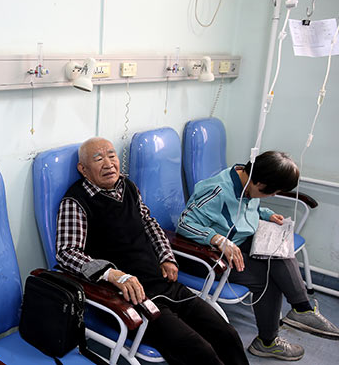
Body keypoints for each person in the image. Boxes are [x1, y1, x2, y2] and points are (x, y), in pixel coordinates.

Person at [56, 137, 248, 365]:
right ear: (83, 169)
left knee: (227, 334)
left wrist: (167, 258)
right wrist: (112, 274)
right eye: (98, 159)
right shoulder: (76, 201)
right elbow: (67, 252)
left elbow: (150, 224)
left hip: (163, 283)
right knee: (199, 350)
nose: (108, 164)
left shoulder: (128, 186)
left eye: (111, 155)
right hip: (126, 298)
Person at [176, 151, 339, 361]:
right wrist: (217, 239)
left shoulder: (248, 182)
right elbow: (184, 223)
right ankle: (268, 342)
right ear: (259, 182)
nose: (272, 195)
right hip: (205, 256)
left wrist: (266, 214)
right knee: (267, 280)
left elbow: (249, 207)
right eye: (271, 192)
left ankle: (302, 309)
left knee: (279, 250)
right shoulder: (217, 191)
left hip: (238, 244)